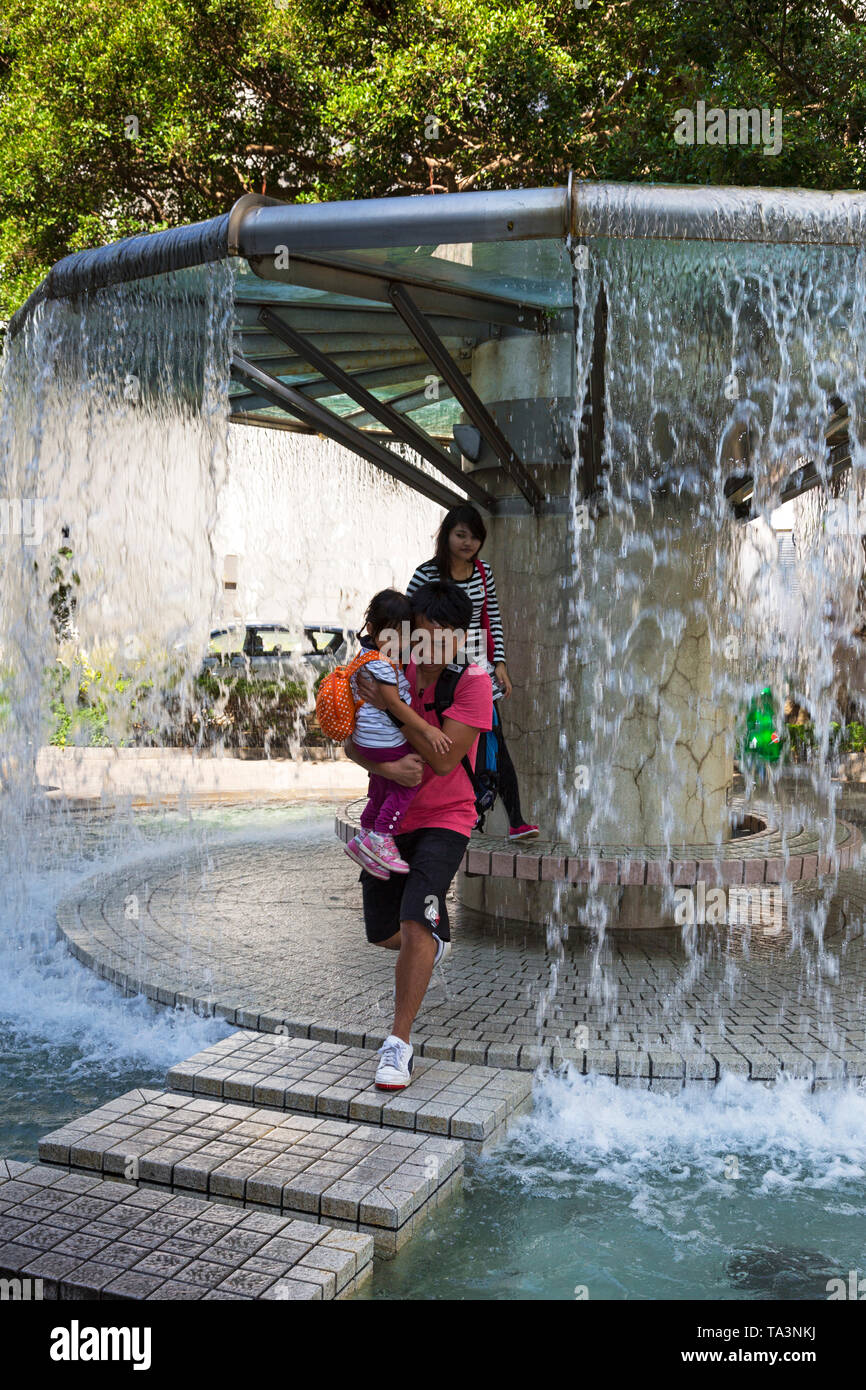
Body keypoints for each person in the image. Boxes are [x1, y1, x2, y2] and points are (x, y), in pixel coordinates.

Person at [344, 580, 493, 1091]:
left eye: (449, 636)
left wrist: (395, 713)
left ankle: (398, 1046)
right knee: (384, 931)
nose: (436, 647)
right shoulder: (390, 667)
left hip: (447, 818)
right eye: (427, 633)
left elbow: (445, 756)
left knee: (413, 923)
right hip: (388, 823)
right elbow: (351, 746)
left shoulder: (472, 682)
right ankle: (431, 941)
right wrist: (375, 749)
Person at [407, 503, 539, 840]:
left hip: (476, 669)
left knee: (496, 741)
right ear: (447, 535)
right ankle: (423, 809)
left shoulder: (483, 573)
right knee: (432, 736)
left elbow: (492, 619)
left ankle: (516, 820)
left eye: (474, 537)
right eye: (460, 534)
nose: (467, 542)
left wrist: (501, 665)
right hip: (435, 669)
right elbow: (408, 623)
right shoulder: (426, 574)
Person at [344, 588, 452, 877]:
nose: (398, 642)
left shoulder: (367, 655)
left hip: (367, 739)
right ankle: (382, 837)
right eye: (391, 634)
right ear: (370, 629)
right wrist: (427, 729)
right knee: (408, 780)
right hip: (381, 740)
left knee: (380, 790)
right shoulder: (380, 662)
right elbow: (392, 704)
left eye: (404, 635)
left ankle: (363, 837)